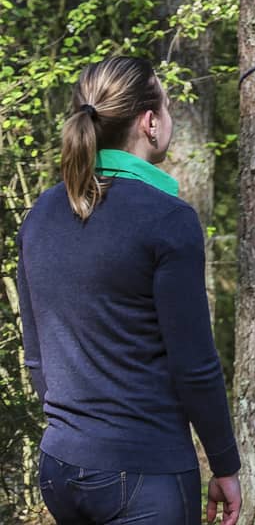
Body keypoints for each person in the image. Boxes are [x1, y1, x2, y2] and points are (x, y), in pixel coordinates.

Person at [17, 56, 242, 525]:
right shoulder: (167, 219)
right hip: (145, 473)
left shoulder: (41, 213)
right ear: (150, 122)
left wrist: (76, 430)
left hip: (59, 469)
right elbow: (195, 364)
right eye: (166, 104)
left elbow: (36, 356)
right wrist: (224, 463)